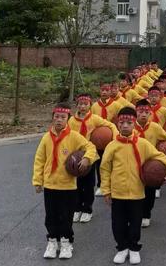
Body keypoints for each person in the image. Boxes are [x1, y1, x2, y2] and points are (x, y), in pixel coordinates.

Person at [100, 107, 166, 264]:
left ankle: (133, 248)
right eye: (122, 123)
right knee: (118, 224)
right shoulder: (112, 146)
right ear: (118, 125)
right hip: (117, 193)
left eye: (129, 122)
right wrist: (106, 190)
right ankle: (122, 248)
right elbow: (105, 169)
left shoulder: (143, 144)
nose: (125, 125)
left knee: (135, 223)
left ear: (134, 124)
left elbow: (159, 155)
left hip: (137, 193)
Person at [32, 104, 98, 259]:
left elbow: (91, 147)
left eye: (62, 117)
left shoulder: (74, 136)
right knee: (51, 216)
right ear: (52, 118)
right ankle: (52, 241)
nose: (59, 120)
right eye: (56, 117)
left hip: (68, 186)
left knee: (66, 216)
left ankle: (66, 242)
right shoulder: (46, 137)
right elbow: (39, 159)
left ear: (68, 119)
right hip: (50, 184)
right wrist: (37, 180)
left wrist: (87, 159)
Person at [69, 93, 117, 223]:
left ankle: (87, 209)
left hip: (90, 155)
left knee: (88, 185)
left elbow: (111, 126)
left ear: (90, 105)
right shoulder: (71, 121)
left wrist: (114, 138)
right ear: (77, 105)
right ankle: (77, 208)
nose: (83, 106)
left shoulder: (95, 119)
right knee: (76, 184)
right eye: (80, 104)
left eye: (86, 104)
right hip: (76, 156)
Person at [133, 99, 166, 226]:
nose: (143, 114)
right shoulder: (130, 128)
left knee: (149, 192)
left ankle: (146, 214)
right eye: (140, 111)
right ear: (136, 113)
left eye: (146, 112)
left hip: (151, 165)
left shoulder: (155, 127)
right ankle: (136, 214)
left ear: (150, 113)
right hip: (134, 163)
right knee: (135, 190)